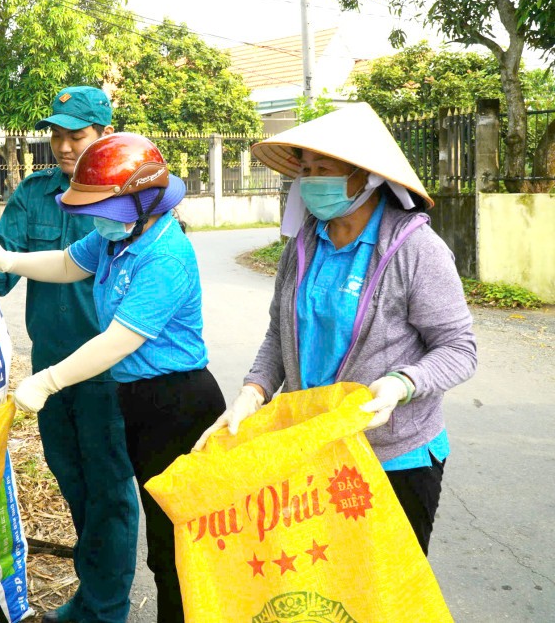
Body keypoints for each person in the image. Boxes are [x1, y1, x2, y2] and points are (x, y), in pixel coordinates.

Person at [194, 103, 477, 555]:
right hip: (311, 447)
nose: (310, 181)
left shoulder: (416, 249)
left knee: (384, 586)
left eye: (324, 169)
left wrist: (401, 384)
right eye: (305, 170)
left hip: (392, 457)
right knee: (321, 579)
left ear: (367, 177)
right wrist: (253, 392)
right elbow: (279, 334)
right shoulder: (304, 245)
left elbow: (459, 349)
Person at [0, 133, 227, 623]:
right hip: (136, 398)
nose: (97, 219)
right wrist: (8, 261)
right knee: (163, 540)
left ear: (143, 200)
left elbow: (118, 340)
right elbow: (66, 263)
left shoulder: (166, 255)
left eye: (105, 208)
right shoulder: (119, 238)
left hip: (178, 405)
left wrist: (47, 381)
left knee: (178, 542)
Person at [0, 86, 140, 623]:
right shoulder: (34, 195)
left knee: (110, 494)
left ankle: (107, 610)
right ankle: (92, 595)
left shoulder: (129, 197)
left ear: (105, 134)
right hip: (49, 370)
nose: (63, 146)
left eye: (76, 135)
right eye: (56, 135)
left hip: (109, 373)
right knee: (73, 483)